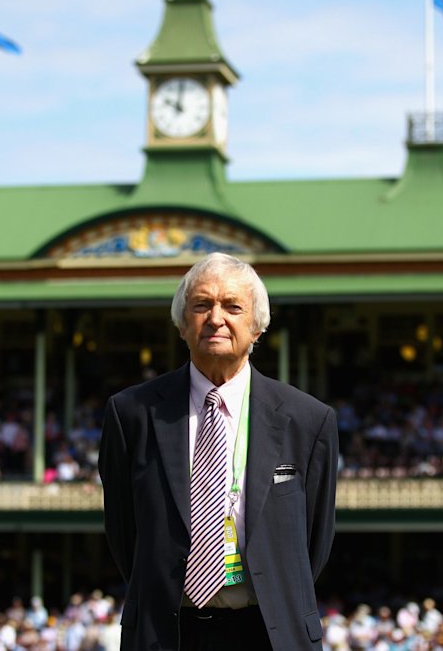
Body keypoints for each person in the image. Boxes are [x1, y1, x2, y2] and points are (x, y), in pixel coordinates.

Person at [99, 252, 339, 651]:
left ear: (257, 326)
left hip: (271, 633)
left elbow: (316, 539)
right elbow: (124, 533)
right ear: (181, 324)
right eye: (201, 305)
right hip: (167, 632)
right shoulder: (131, 414)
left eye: (232, 307)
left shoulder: (308, 420)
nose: (215, 318)